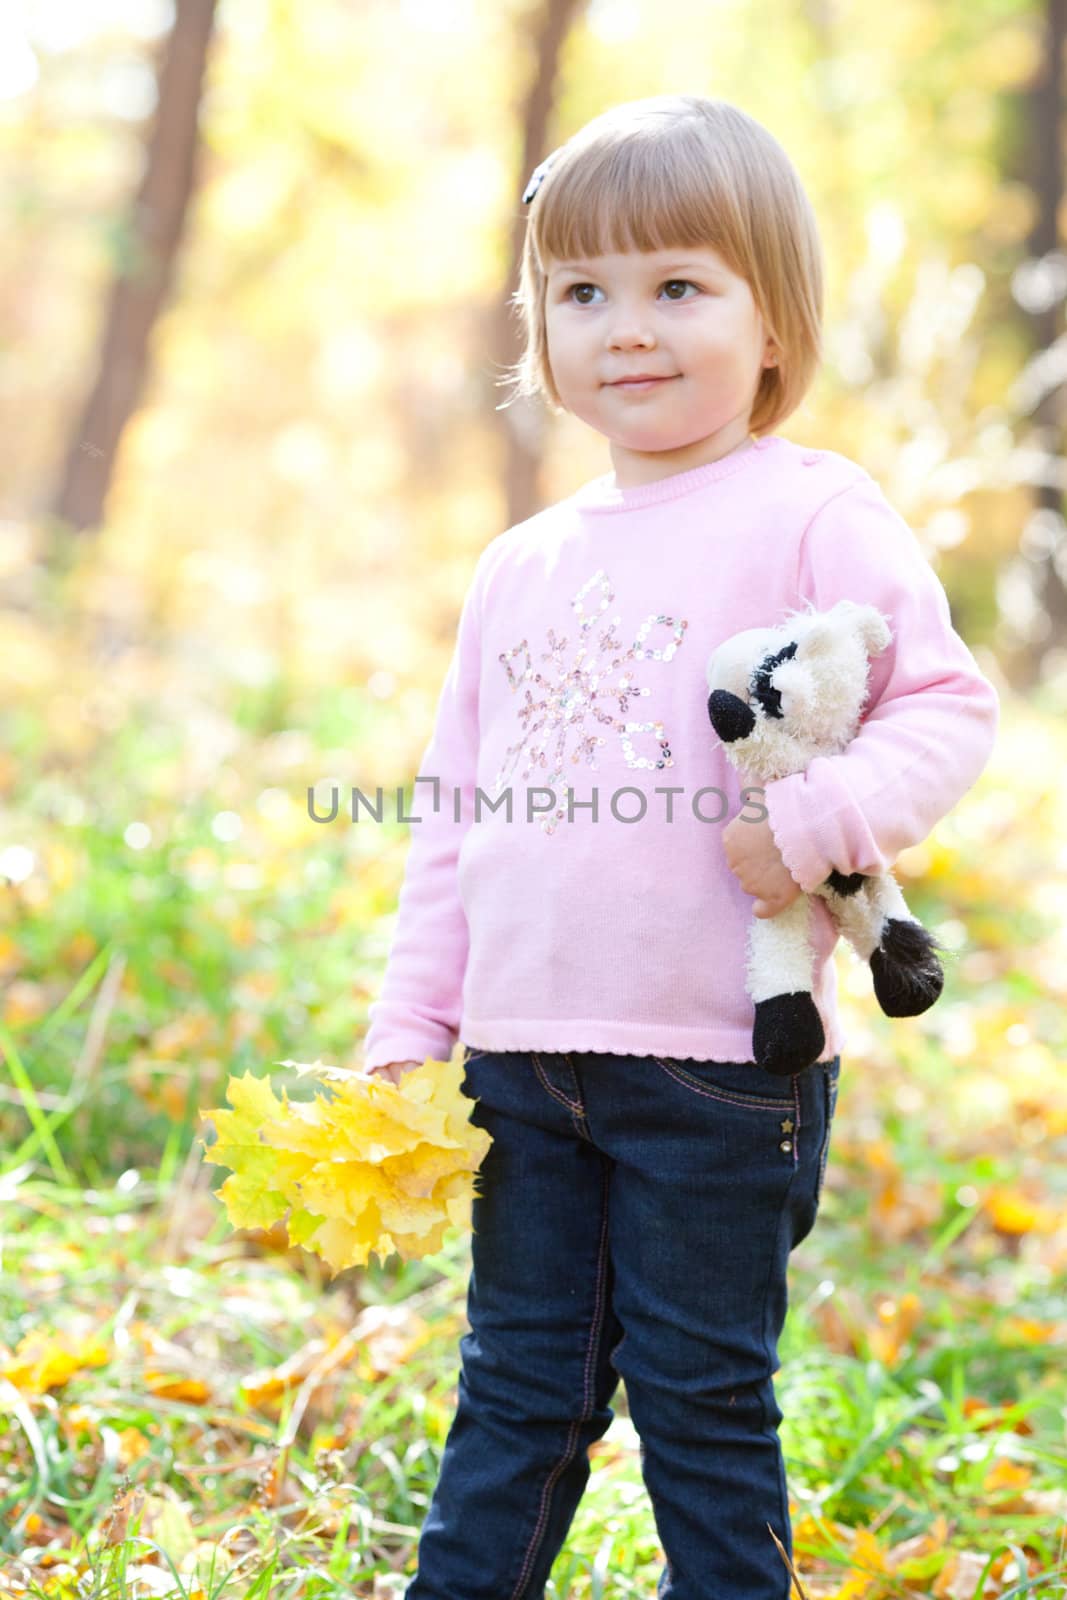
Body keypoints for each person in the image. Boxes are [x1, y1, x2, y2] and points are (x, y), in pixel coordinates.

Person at [359, 95, 1000, 1600]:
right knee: (515, 1394)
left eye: (678, 288)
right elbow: (457, 815)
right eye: (584, 293)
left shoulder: (811, 509)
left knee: (705, 1408)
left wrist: (809, 827)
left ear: (773, 318)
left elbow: (947, 707)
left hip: (718, 1068)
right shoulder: (520, 563)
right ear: (542, 328)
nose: (627, 329)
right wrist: (415, 1024)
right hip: (525, 1063)